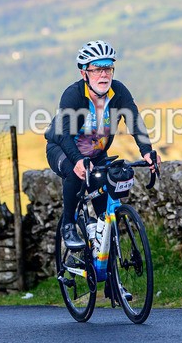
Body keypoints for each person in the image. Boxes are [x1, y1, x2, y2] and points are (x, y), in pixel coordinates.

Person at [46, 40, 158, 252]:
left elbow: (134, 120)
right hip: (62, 148)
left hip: (96, 154)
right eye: (97, 70)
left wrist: (147, 151)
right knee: (75, 173)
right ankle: (68, 224)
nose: (103, 75)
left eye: (108, 69)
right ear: (84, 73)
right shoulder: (73, 95)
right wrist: (78, 161)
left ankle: (105, 263)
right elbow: (64, 134)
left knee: (104, 213)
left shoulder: (118, 91)